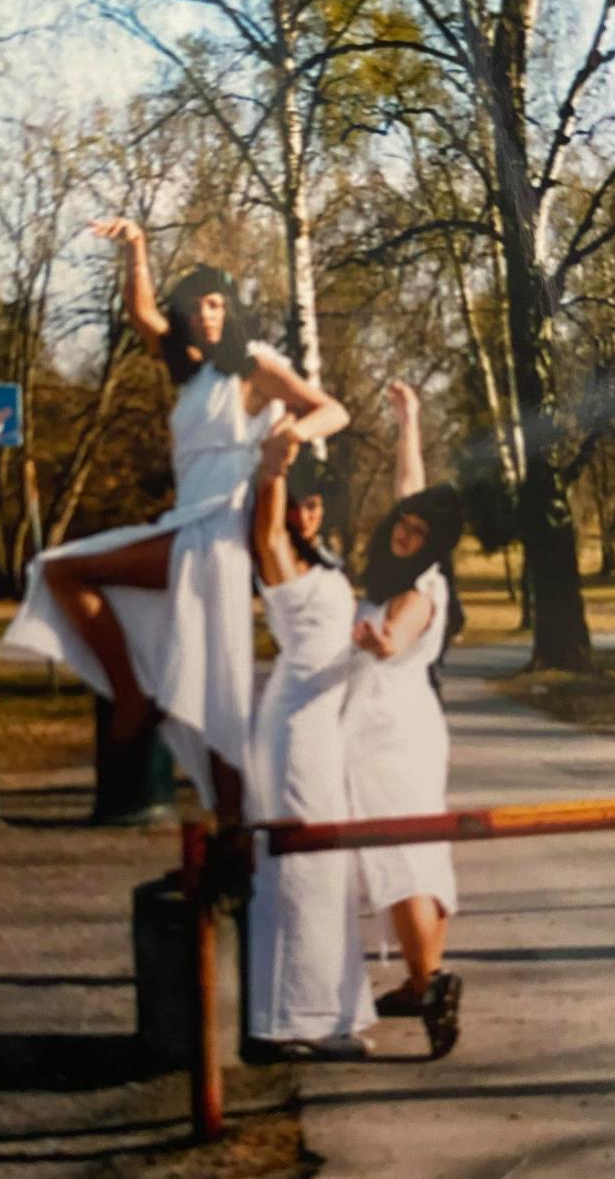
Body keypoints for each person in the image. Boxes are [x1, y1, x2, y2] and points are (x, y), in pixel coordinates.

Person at [4, 217, 348, 822]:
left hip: (220, 531)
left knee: (220, 692)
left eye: (217, 304)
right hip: (185, 525)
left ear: (230, 310)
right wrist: (137, 247)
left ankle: (236, 826)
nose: (208, 315)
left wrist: (291, 431)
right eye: (196, 307)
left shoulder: (252, 368)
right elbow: (142, 315)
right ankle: (140, 698)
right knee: (62, 573)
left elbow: (332, 411)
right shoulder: (191, 378)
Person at [343, 381, 463, 1059]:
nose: (403, 530)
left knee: (401, 862)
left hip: (389, 730)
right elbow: (408, 488)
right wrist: (409, 421)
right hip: (402, 723)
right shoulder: (413, 564)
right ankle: (424, 981)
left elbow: (396, 635)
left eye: (416, 530)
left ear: (433, 544)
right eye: (403, 523)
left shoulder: (419, 588)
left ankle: (433, 981)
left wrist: (375, 641)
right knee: (417, 854)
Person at [244, 435, 375, 1059]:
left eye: (315, 504)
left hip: (327, 726)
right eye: (297, 505)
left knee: (330, 871)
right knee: (293, 870)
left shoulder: (326, 561)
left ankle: (328, 1013)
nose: (306, 515)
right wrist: (274, 469)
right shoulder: (275, 556)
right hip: (293, 727)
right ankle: (280, 1021)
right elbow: (268, 526)